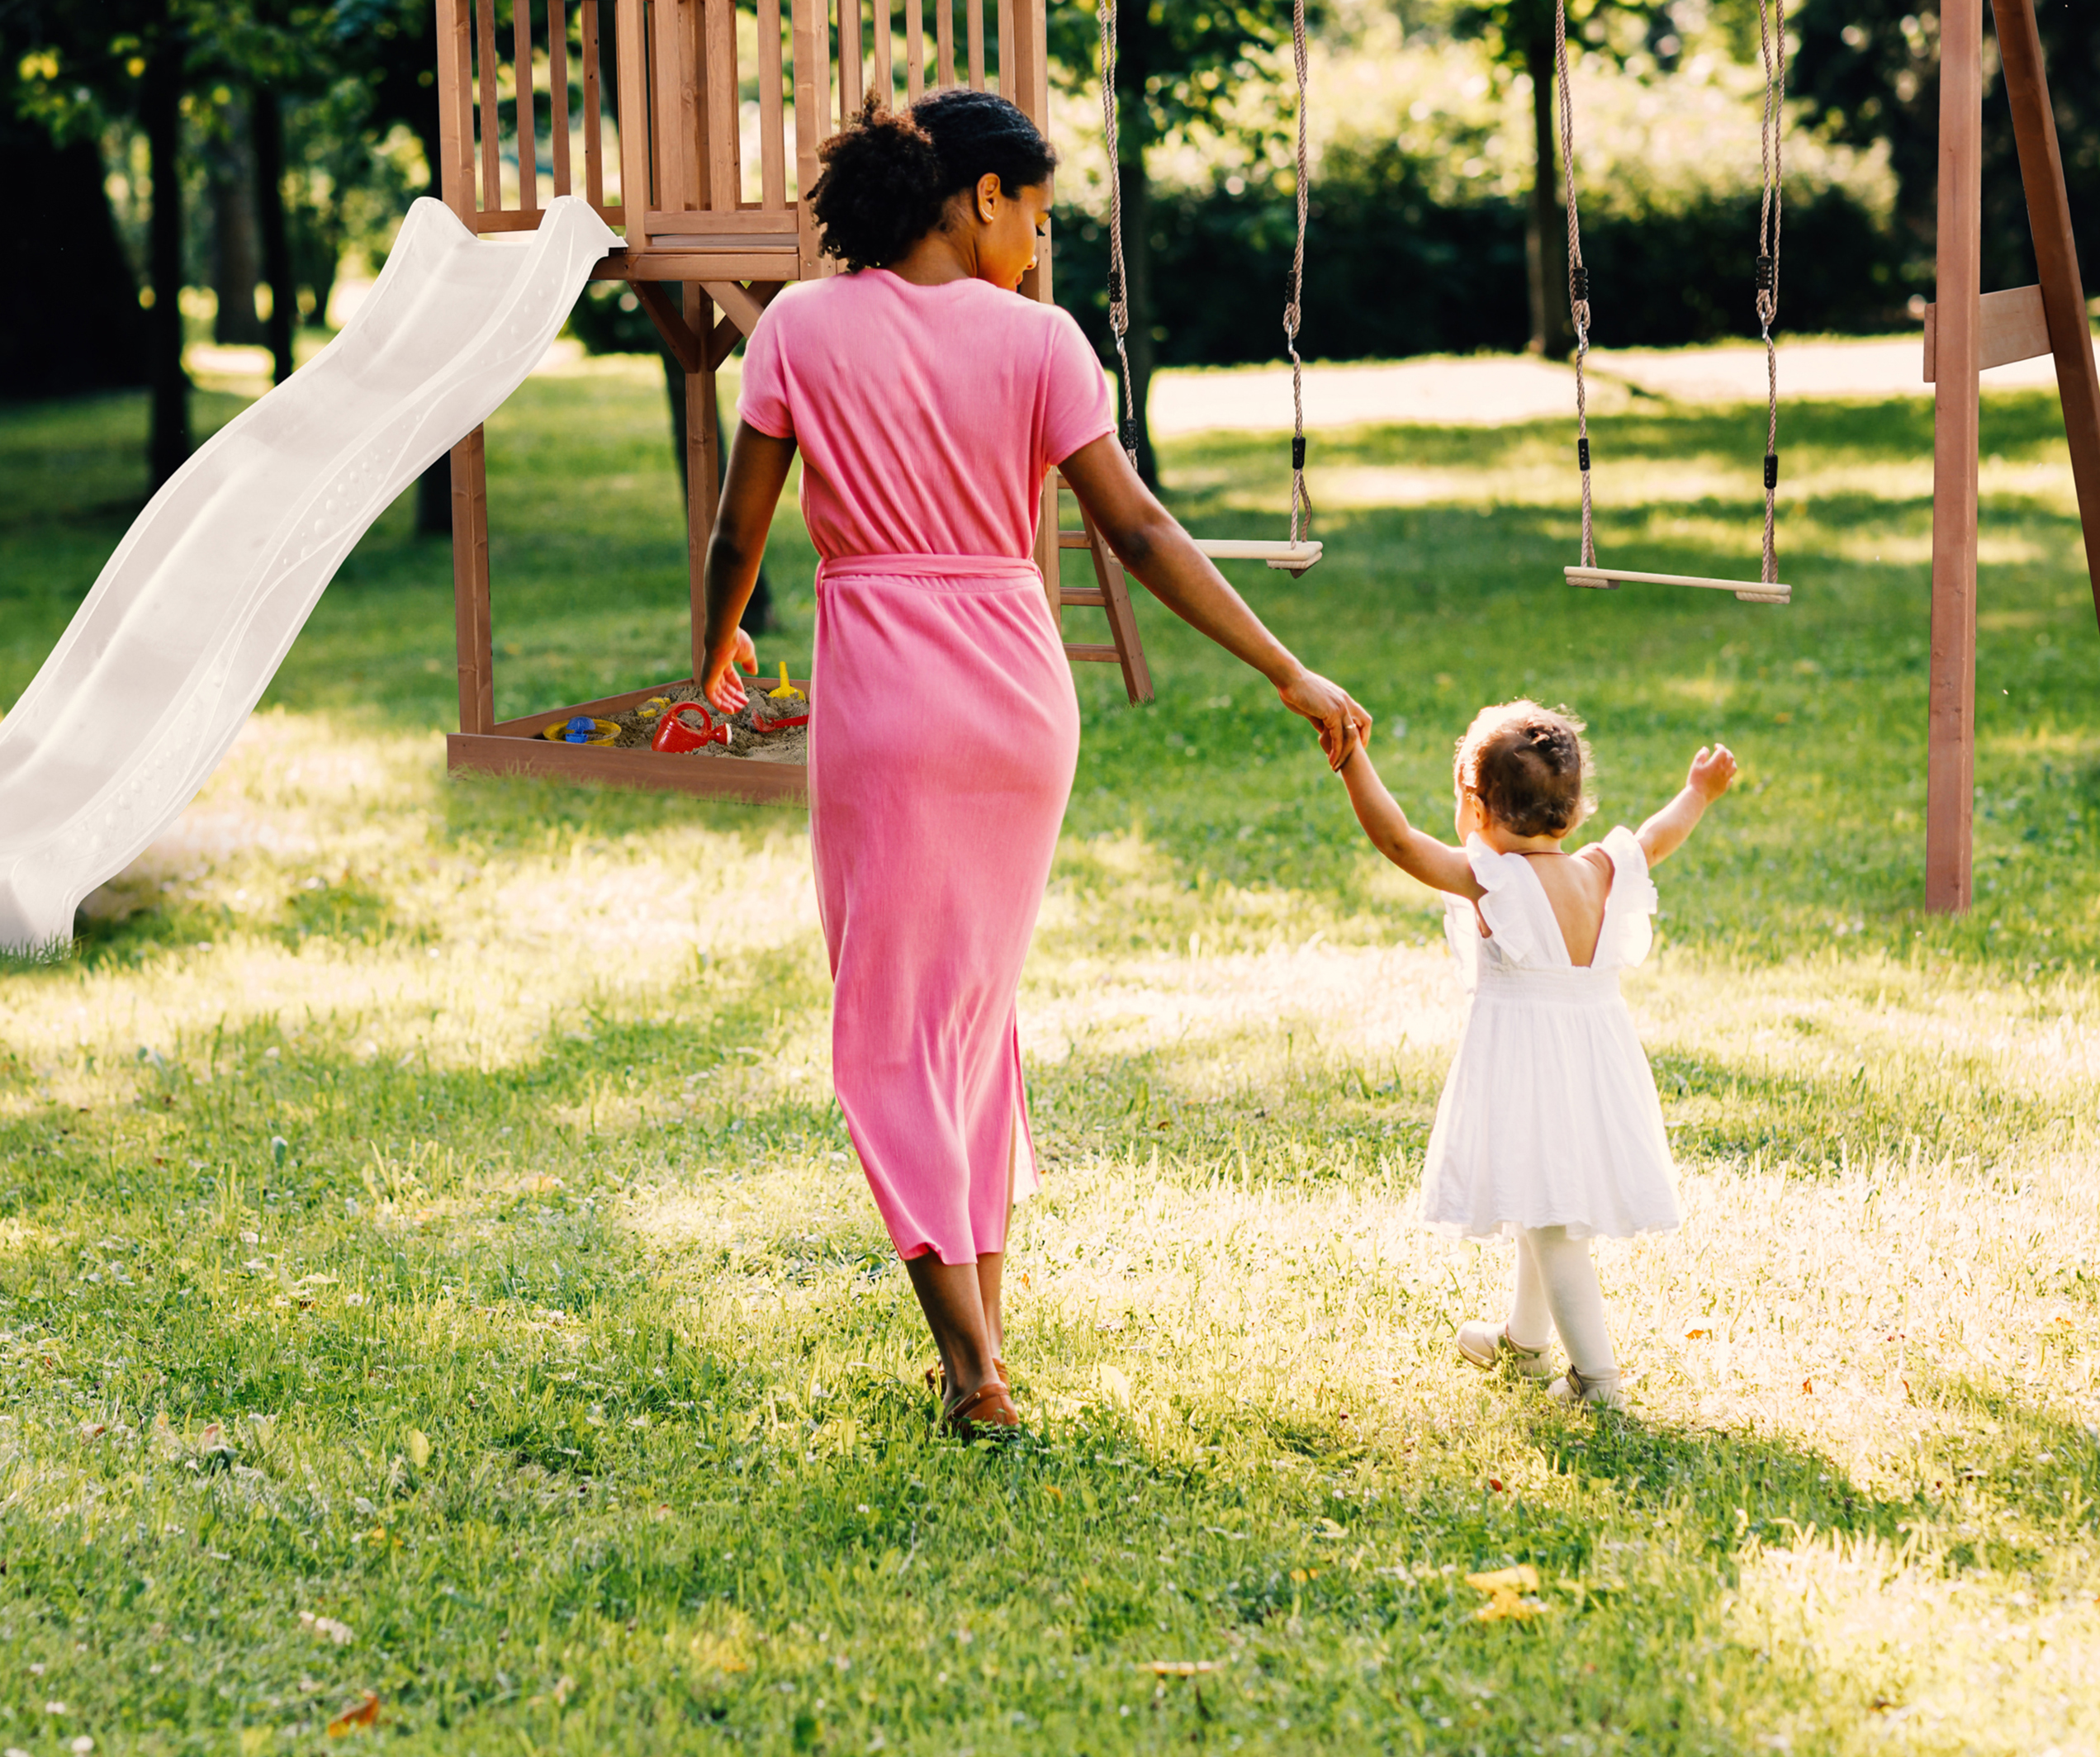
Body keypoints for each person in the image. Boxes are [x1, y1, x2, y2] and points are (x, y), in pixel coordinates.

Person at [698, 89, 1370, 1435]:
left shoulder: (799, 329)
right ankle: (984, 1343)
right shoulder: (1043, 344)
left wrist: (710, 654)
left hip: (885, 696)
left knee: (890, 1030)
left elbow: (739, 532)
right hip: (1017, 696)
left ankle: (971, 1369)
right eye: (1040, 217)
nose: (1041, 249)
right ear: (981, 197)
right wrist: (1284, 666)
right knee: (970, 1021)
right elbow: (1138, 533)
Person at [1332, 700, 1737, 1409]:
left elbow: (1397, 840)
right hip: (1593, 1067)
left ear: (1477, 808)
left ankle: (1596, 1380)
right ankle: (1524, 1342)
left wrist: (1351, 757)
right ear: (1574, 811)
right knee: (1537, 1198)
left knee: (1552, 1225)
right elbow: (1657, 835)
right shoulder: (1601, 870)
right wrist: (1697, 792)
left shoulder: (1494, 882)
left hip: (1530, 1070)